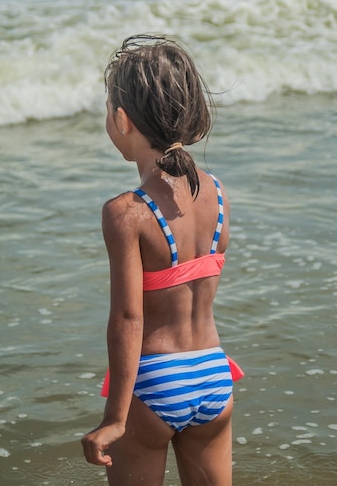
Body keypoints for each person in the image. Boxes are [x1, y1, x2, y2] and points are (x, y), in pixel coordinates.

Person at [82, 35, 242, 486]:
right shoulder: (218, 193)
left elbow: (129, 319)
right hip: (213, 374)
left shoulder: (126, 212)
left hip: (154, 381)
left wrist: (114, 417)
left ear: (121, 119)